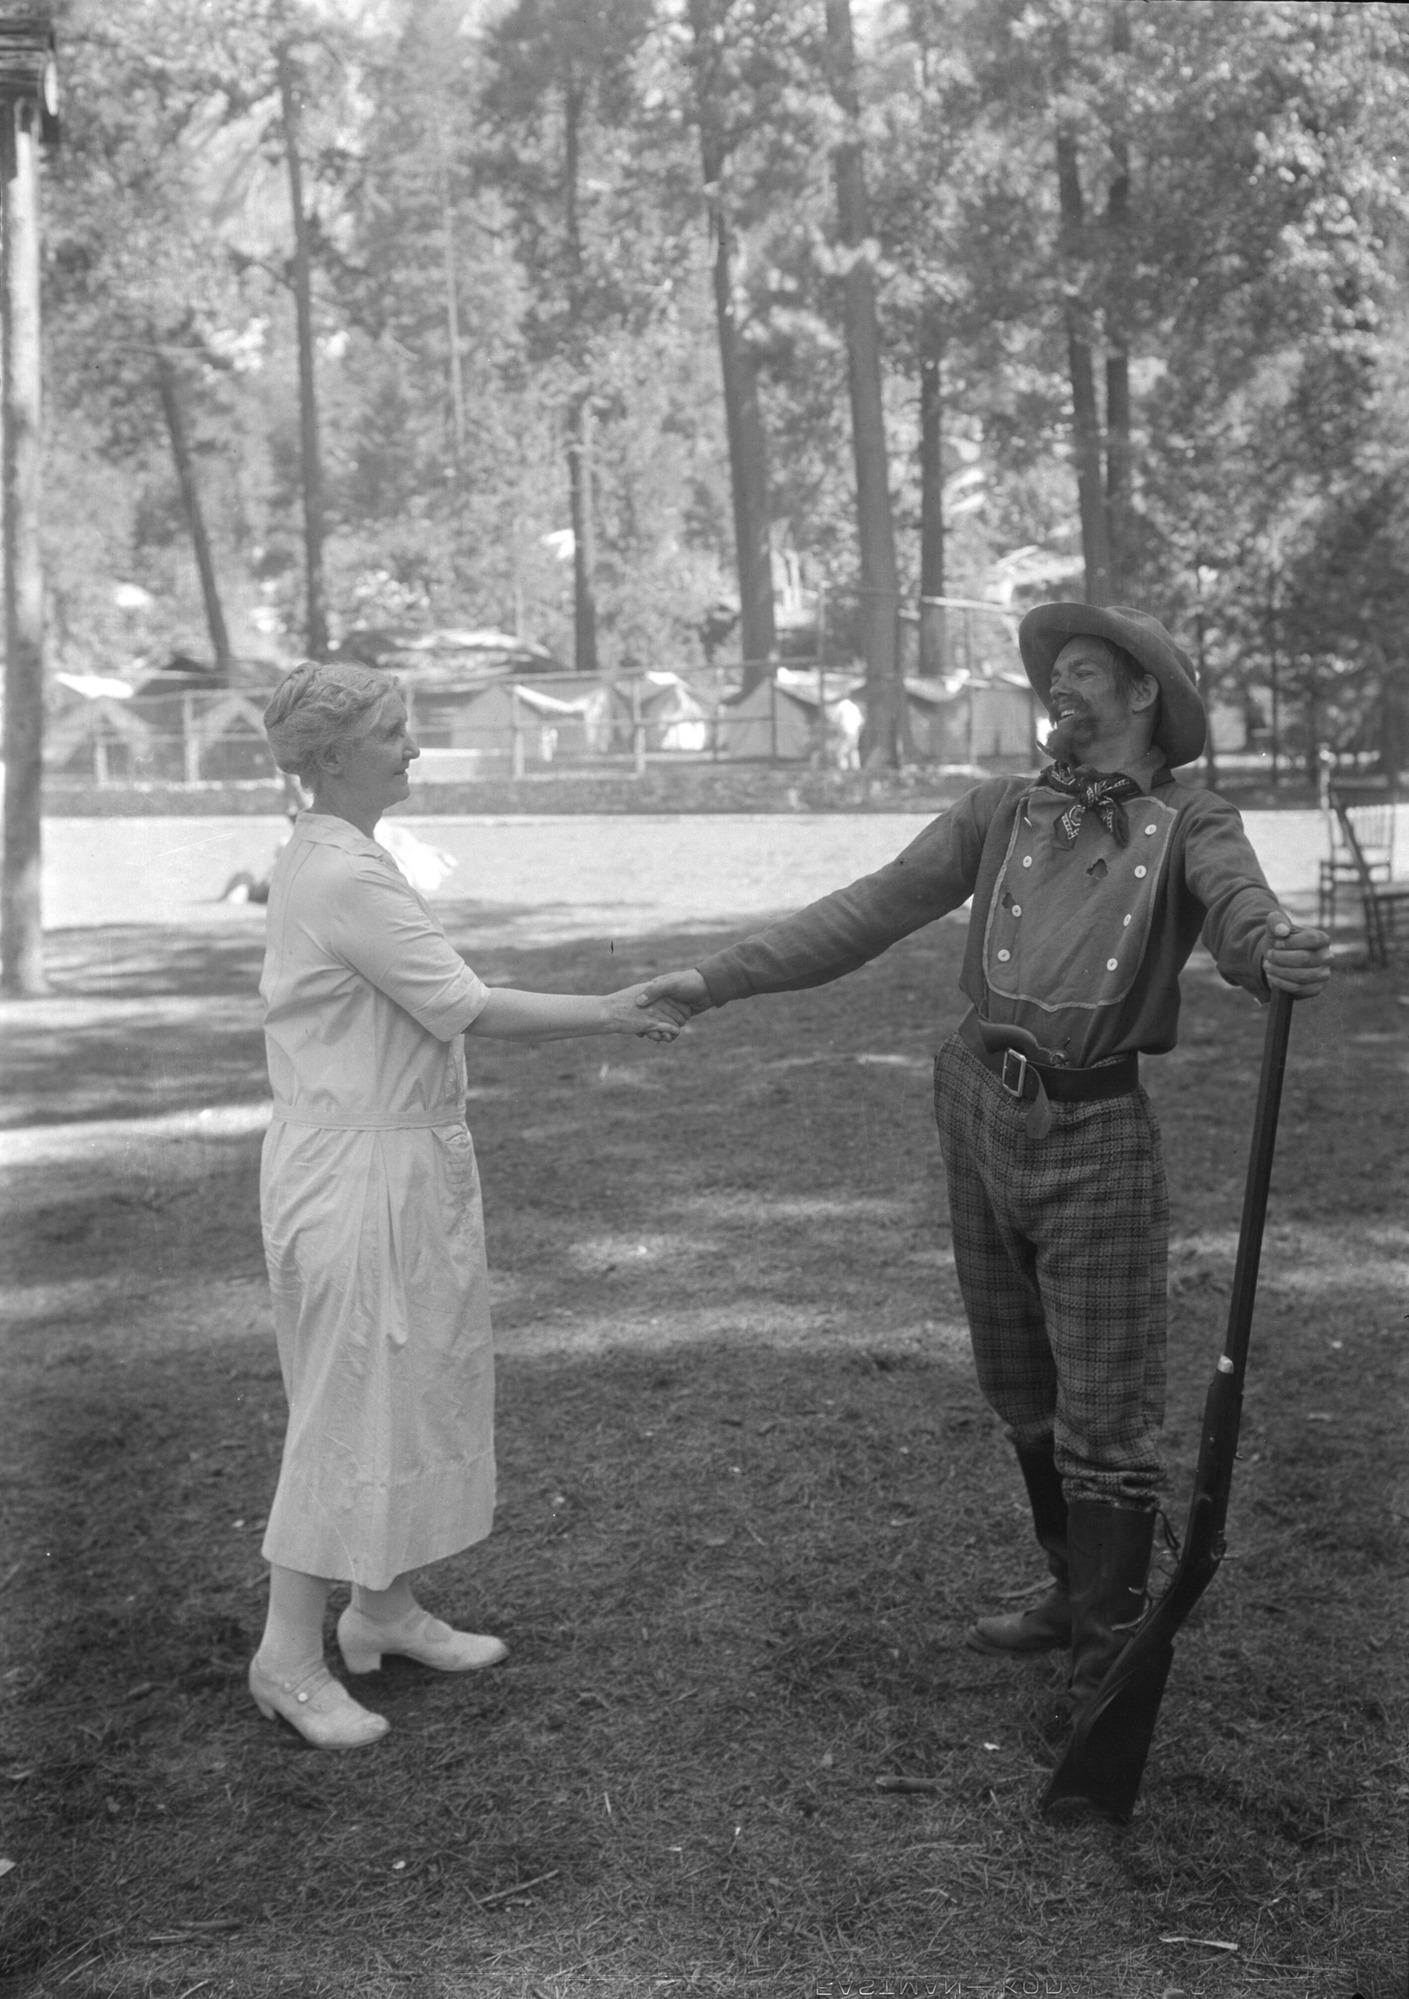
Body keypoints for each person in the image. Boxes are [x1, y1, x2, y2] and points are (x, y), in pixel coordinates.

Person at [639, 602, 1331, 1744]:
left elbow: (1236, 903)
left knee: (1104, 1408)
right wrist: (714, 980)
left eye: (1080, 673)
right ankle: (1067, 1586)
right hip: (972, 1099)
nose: (1056, 689)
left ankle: (1106, 1671)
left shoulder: (1191, 818)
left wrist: (1270, 950)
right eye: (1053, 673)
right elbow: (870, 908)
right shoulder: (1001, 809)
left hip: (1094, 1132)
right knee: (1017, 1378)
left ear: (1143, 694)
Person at [250, 662, 685, 1751]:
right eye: (392, 732)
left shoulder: (341, 853)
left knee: (401, 1387)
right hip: (357, 1171)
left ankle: (382, 1606)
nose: (412, 747)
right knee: (344, 1403)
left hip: (384, 1156)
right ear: (332, 756)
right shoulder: (341, 872)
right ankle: (287, 1657)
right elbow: (463, 1005)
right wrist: (611, 1010)